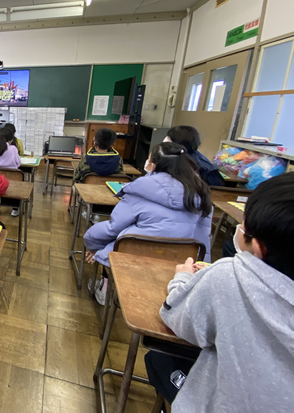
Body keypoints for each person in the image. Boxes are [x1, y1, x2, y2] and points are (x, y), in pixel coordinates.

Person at [148, 172, 294, 413]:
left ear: (259, 246)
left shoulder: (228, 276)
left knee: (159, 358)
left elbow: (178, 318)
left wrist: (183, 279)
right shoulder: (200, 192)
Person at [83, 142, 212, 305]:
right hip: (179, 265)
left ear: (153, 164)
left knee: (115, 241)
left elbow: (113, 227)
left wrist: (93, 245)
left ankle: (105, 289)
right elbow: (203, 239)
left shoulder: (140, 189)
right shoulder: (202, 194)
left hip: (132, 259)